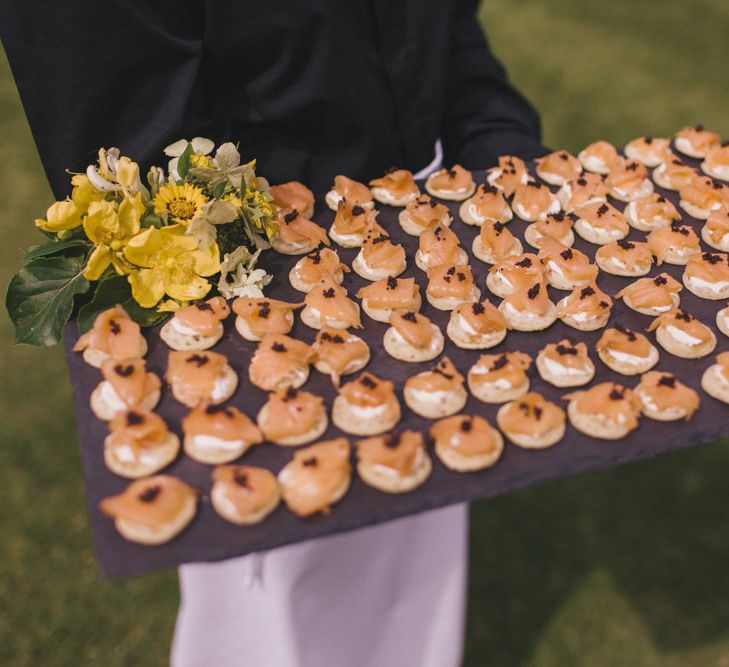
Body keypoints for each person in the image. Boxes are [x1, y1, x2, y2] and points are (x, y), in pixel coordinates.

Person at [3, 2, 545, 665]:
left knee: (412, 550)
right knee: (283, 600)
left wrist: (504, 157)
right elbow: (126, 125)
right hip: (261, 300)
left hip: (424, 279)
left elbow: (441, 31)